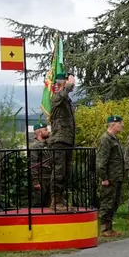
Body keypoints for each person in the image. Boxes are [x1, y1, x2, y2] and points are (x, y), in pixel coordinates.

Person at [48, 74, 76, 211]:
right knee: (59, 171)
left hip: (67, 140)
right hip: (59, 140)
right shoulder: (56, 96)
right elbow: (63, 93)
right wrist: (69, 84)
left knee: (66, 172)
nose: (72, 84)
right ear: (61, 83)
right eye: (67, 81)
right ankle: (55, 201)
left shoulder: (66, 99)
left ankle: (61, 200)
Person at [96, 115, 124, 237]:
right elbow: (101, 160)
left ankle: (109, 227)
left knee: (114, 202)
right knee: (107, 203)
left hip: (117, 176)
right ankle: (104, 229)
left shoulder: (115, 139)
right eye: (120, 123)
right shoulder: (106, 139)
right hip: (110, 177)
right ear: (113, 124)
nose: (122, 125)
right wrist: (104, 178)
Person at [30, 122, 52, 208]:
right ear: (39, 132)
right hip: (41, 177)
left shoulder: (48, 144)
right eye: (45, 130)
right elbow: (33, 164)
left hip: (49, 176)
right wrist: (35, 181)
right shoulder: (35, 146)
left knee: (49, 203)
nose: (48, 131)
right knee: (38, 203)